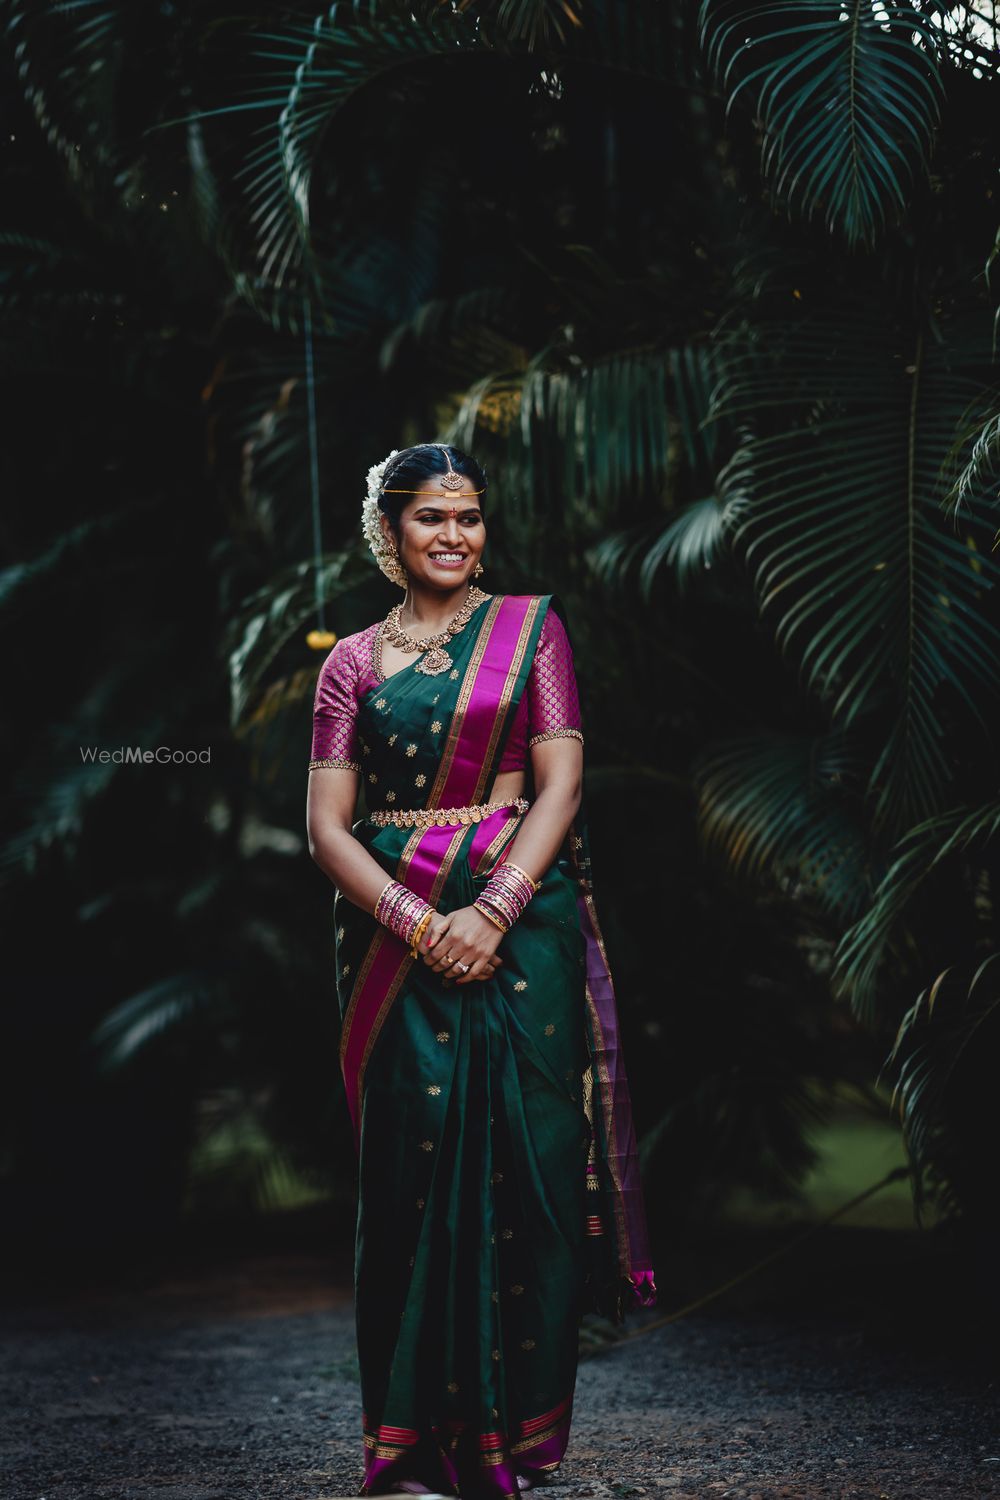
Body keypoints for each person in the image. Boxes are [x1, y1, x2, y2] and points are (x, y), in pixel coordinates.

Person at [306, 443, 656, 1500]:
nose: (454, 536)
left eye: (468, 517)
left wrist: (494, 909)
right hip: (394, 944)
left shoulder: (531, 632)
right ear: (390, 533)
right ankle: (408, 1444)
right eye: (430, 520)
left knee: (532, 1171)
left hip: (519, 935)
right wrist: (424, 923)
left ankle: (516, 1439)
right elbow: (325, 829)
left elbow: (561, 785)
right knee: (408, 1182)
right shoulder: (350, 665)